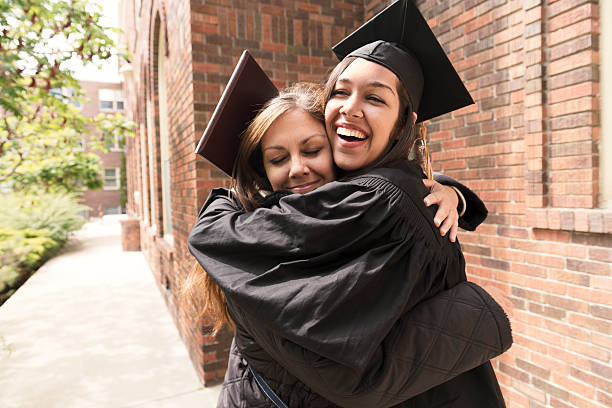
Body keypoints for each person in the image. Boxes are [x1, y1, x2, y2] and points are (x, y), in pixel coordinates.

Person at [189, 2, 511, 406]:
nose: (351, 108)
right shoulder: (369, 192)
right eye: (340, 91)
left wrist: (222, 204)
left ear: (404, 124)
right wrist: (450, 189)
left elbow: (216, 239)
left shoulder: (373, 202)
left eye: (376, 99)